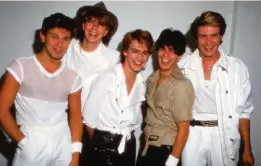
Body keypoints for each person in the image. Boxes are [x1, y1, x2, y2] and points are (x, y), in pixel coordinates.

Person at [0, 13, 83, 166]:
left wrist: (75, 155)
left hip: (63, 144)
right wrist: (23, 142)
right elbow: (1, 111)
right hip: (32, 145)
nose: (59, 44)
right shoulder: (21, 67)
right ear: (43, 36)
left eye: (65, 39)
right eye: (54, 36)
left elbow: (76, 117)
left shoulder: (72, 76)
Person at [179, 11, 255, 166]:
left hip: (224, 134)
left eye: (214, 35)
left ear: (222, 36)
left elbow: (244, 112)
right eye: (203, 36)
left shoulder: (237, 67)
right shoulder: (182, 67)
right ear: (196, 37)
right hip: (192, 135)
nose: (209, 42)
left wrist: (247, 148)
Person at [82, 29, 154, 166]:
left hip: (128, 145)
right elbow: (89, 119)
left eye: (145, 53)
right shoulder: (108, 77)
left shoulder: (141, 84)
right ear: (125, 51)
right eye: (135, 51)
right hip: (101, 146)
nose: (140, 58)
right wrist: (101, 143)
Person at [136, 28, 195, 166]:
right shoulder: (152, 79)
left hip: (166, 150)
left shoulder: (181, 85)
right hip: (147, 147)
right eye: (163, 48)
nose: (165, 54)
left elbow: (184, 128)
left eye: (172, 51)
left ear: (179, 56)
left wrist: (173, 161)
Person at [63, 1, 120, 110]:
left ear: (105, 32)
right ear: (83, 25)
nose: (94, 27)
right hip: (65, 116)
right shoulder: (67, 47)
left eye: (101, 24)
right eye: (91, 21)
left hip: (95, 122)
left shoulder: (114, 58)